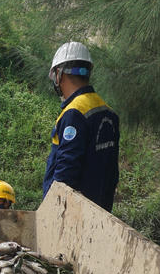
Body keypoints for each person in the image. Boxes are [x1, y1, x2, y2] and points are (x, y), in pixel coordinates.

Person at [42, 41, 120, 210]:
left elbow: (66, 171)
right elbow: (112, 172)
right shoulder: (108, 112)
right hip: (100, 211)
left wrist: (51, 209)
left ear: (59, 74)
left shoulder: (74, 113)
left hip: (73, 214)